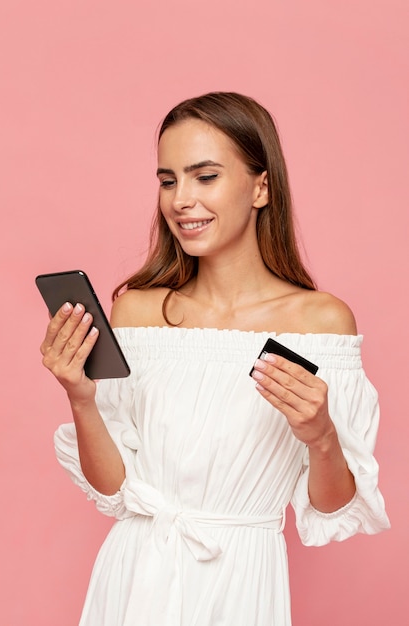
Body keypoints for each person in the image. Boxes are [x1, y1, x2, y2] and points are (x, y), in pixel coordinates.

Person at [40, 92, 390, 626]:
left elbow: (332, 507)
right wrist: (81, 398)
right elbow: (115, 490)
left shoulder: (318, 323)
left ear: (261, 187)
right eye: (167, 180)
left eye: (205, 177)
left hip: (242, 583)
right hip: (136, 572)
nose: (181, 199)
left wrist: (320, 435)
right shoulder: (136, 311)